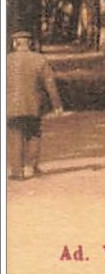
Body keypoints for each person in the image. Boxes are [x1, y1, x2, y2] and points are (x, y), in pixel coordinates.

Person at [7, 30, 64, 181]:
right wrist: (57, 104)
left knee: (15, 135)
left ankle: (17, 172)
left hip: (11, 105)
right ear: (30, 43)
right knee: (33, 134)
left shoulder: (6, 60)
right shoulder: (40, 60)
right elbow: (50, 83)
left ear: (14, 44)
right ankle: (31, 167)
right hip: (34, 105)